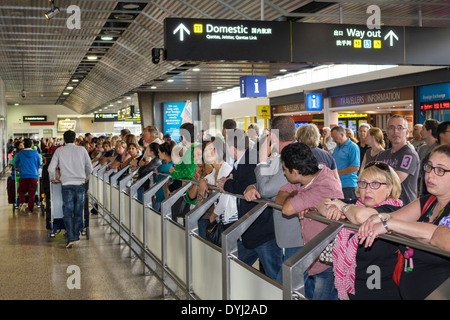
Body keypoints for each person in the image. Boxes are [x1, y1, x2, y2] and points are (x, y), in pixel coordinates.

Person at [359, 144, 450, 300]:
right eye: (429, 167)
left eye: (440, 170)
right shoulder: (427, 202)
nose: (430, 175)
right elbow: (392, 217)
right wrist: (378, 217)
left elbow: (440, 237)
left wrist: (388, 223)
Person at [317, 161, 403, 300]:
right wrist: (332, 208)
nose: (367, 190)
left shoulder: (394, 210)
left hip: (381, 287)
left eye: (375, 184)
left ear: (390, 188)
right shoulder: (356, 204)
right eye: (363, 183)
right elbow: (322, 203)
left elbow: (360, 216)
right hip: (353, 284)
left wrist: (342, 207)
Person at [275, 142, 343, 300]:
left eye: (285, 170)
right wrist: (299, 199)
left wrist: (297, 200)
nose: (284, 174)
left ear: (296, 171)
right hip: (312, 256)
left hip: (327, 262)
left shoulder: (323, 185)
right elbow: (280, 197)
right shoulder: (308, 177)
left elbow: (286, 209)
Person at [218, 128, 282, 280]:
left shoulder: (251, 158)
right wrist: (227, 182)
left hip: (262, 229)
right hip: (250, 229)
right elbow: (231, 180)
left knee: (275, 276)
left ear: (233, 148)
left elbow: (245, 186)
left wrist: (227, 184)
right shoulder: (242, 159)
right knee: (235, 265)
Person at [48, 130, 93, 248]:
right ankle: (76, 235)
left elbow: (50, 169)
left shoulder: (59, 150)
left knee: (68, 211)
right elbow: (90, 168)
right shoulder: (82, 150)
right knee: (79, 211)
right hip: (80, 184)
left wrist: (53, 179)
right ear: (75, 139)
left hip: (66, 184)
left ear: (63, 139)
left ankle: (71, 237)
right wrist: (86, 178)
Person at [199, 137, 238, 239]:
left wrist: (212, 217)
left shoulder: (225, 170)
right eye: (205, 150)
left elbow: (224, 203)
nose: (207, 152)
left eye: (211, 149)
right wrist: (203, 180)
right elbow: (210, 178)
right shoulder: (217, 170)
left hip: (230, 219)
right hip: (222, 218)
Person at [376, 115, 420, 205]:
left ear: (407, 132)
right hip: (384, 204)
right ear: (387, 132)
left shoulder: (409, 154)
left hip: (404, 207)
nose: (395, 131)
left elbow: (395, 181)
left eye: (400, 128)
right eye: (391, 128)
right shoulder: (382, 155)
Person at [331, 126, 360, 199]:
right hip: (337, 184)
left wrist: (337, 173)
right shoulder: (337, 147)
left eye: (335, 137)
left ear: (342, 135)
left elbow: (355, 167)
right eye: (332, 138)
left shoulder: (353, 147)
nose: (333, 140)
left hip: (349, 185)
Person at [14, 138, 42, 213]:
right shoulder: (36, 153)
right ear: (31, 145)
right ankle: (30, 209)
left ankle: (23, 202)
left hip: (23, 176)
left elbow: (16, 164)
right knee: (32, 193)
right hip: (33, 176)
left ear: (24, 145)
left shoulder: (20, 153)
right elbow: (39, 164)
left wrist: (18, 168)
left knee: (21, 190)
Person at [418, 119, 440, 196]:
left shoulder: (439, 148)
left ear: (429, 131)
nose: (421, 132)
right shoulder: (422, 148)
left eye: (423, 129)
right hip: (423, 190)